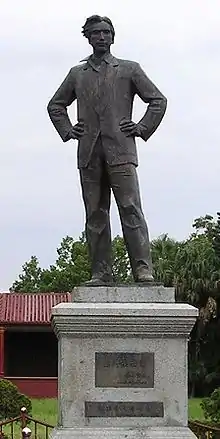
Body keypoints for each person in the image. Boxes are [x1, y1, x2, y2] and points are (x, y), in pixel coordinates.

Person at [47, 15, 167, 286]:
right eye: (96, 33)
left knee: (131, 209)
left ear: (113, 36)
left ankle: (143, 270)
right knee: (95, 214)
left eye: (106, 32)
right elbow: (55, 105)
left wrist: (141, 127)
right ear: (88, 37)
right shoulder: (77, 74)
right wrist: (67, 130)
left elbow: (158, 100)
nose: (101, 37)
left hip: (121, 151)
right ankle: (101, 273)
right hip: (89, 153)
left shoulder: (129, 69)